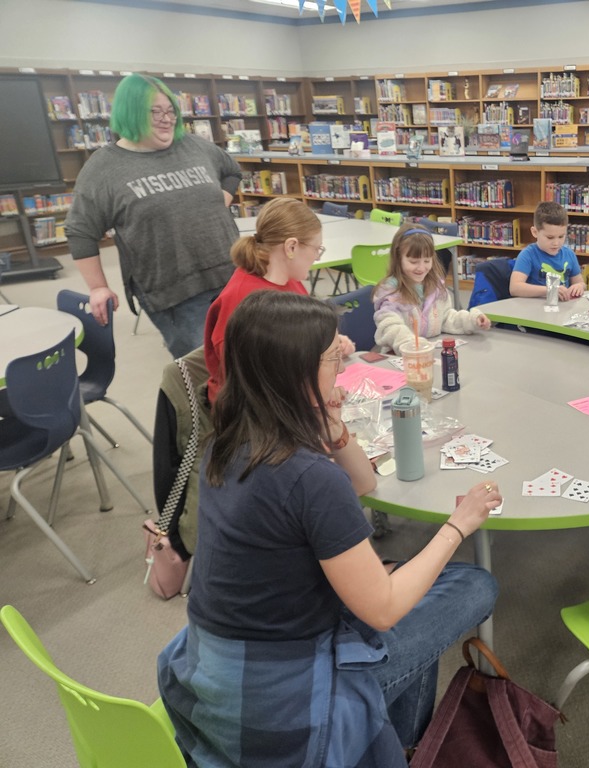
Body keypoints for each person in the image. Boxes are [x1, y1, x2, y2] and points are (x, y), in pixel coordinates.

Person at [158, 291, 500, 766]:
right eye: (330, 358)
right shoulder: (308, 477)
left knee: (410, 577)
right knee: (473, 583)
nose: (341, 364)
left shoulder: (229, 441)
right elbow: (382, 610)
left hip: (213, 668)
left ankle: (397, 747)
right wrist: (457, 526)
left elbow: (362, 482)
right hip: (283, 698)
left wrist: (333, 424)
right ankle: (391, 745)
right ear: (296, 374)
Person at [63, 73, 242, 358]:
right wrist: (98, 287)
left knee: (250, 356)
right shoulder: (104, 168)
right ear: (131, 113)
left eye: (170, 110)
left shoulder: (194, 146)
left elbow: (232, 171)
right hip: (175, 292)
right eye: (155, 111)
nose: (166, 119)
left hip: (233, 274)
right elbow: (80, 231)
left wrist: (221, 200)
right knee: (205, 373)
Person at [204, 198, 354, 404]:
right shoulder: (244, 303)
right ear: (291, 247)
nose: (317, 258)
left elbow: (298, 337)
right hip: (256, 411)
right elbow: (251, 384)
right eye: (316, 249)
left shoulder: (289, 280)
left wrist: (328, 344)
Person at [373, 222, 490, 352]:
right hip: (401, 358)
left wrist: (471, 320)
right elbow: (390, 326)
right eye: (413, 262)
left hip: (431, 354)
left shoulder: (436, 286)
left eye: (427, 261)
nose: (421, 268)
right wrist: (411, 345)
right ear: (398, 258)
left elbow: (446, 318)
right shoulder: (391, 293)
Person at [509, 201, 586, 300]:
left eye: (561, 236)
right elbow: (514, 288)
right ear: (535, 232)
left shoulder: (569, 254)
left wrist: (579, 287)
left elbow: (581, 283)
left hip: (563, 308)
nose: (556, 243)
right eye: (550, 237)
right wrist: (549, 290)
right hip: (535, 309)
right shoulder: (528, 254)